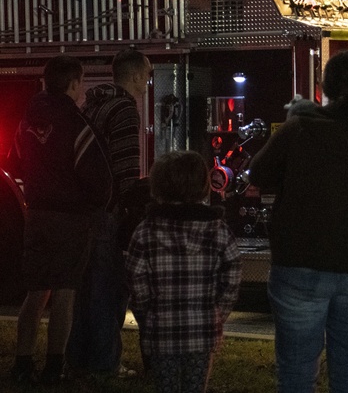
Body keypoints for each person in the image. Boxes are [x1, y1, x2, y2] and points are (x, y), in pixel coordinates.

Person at [249, 50, 348, 392]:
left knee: (296, 370)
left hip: (301, 263)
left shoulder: (301, 127)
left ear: (326, 87)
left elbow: (258, 172)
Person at [7, 55, 113, 385]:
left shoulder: (27, 121)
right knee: (65, 292)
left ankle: (22, 364)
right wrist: (97, 207)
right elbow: (99, 178)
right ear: (73, 83)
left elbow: (15, 163)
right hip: (70, 219)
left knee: (36, 291)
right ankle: (54, 367)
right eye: (80, 83)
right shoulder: (75, 123)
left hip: (36, 214)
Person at [124, 150, 242, 393]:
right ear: (203, 185)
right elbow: (232, 278)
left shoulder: (145, 232)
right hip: (202, 330)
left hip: (161, 331)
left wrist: (148, 315)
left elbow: (137, 283)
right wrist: (217, 314)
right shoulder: (218, 231)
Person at [66, 48, 151, 379]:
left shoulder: (92, 103)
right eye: (145, 74)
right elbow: (126, 166)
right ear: (132, 76)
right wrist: (130, 206)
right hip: (110, 210)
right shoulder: (126, 109)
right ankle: (105, 364)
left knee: (86, 290)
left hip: (87, 208)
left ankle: (77, 360)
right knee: (109, 289)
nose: (147, 82)